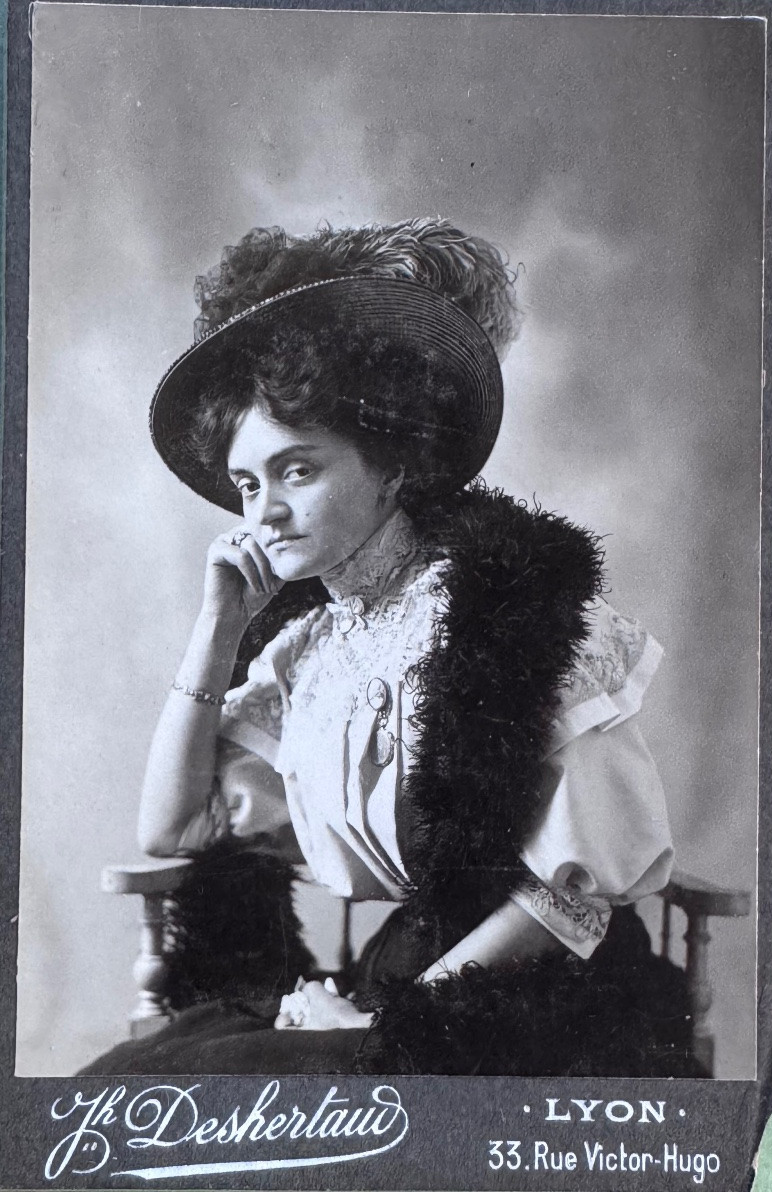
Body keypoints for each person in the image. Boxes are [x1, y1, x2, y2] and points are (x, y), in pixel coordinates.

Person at [83, 219, 697, 1077]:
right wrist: (218, 624)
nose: (264, 512)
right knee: (140, 1074)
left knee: (209, 1081)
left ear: (395, 465)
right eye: (248, 484)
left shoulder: (511, 616)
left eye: (298, 471)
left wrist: (382, 1025)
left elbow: (569, 906)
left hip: (539, 999)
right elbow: (173, 827)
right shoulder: (312, 651)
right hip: (407, 981)